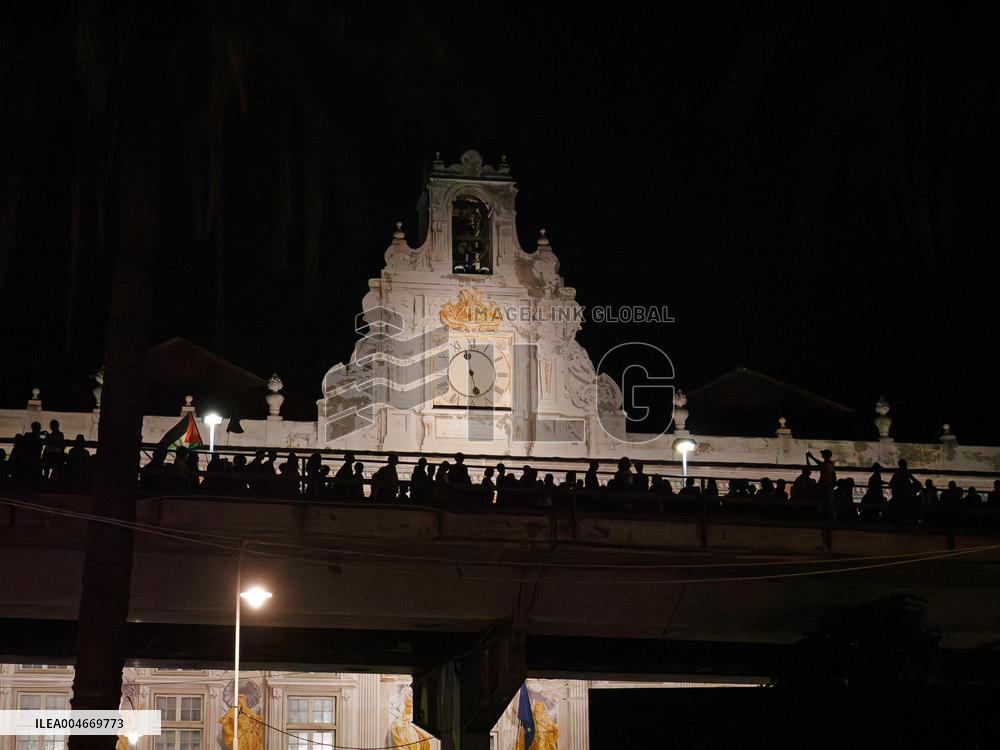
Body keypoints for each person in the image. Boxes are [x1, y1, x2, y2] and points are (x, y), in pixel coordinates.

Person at [888, 459, 922, 524]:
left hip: (897, 495)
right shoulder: (905, 472)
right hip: (904, 495)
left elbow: (891, 484)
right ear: (905, 465)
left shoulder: (896, 473)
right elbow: (915, 480)